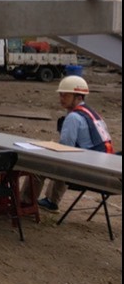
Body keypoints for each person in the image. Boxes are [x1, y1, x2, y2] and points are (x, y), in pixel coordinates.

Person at [30, 76, 115, 211]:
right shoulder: (93, 114)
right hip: (105, 166)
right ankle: (51, 200)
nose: (61, 98)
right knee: (66, 160)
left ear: (78, 97)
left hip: (89, 171)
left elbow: (65, 149)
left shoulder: (73, 117)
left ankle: (25, 201)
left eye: (65, 95)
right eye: (61, 95)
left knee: (36, 166)